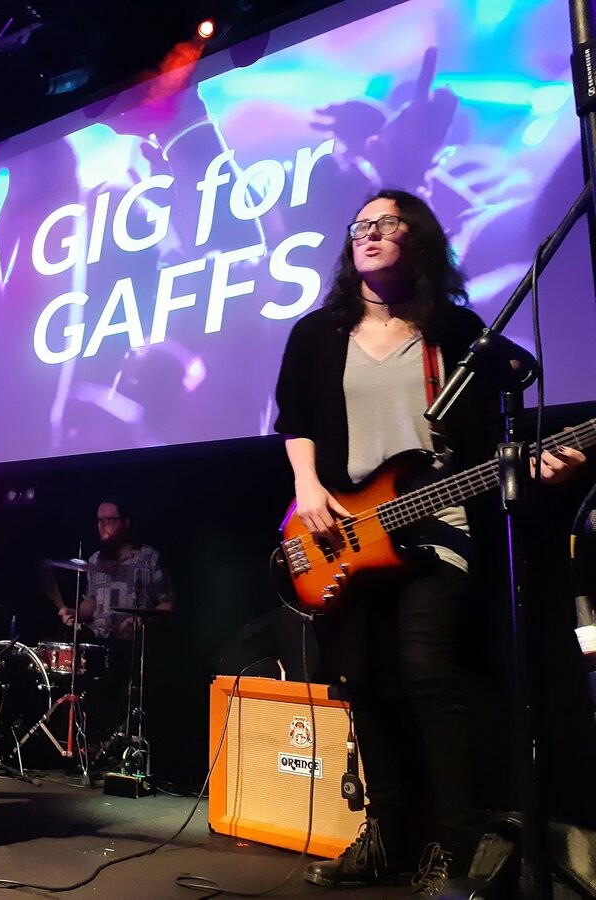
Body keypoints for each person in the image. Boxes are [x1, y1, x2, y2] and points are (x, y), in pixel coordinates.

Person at [273, 189, 585, 893]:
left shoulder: (457, 333)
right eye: (360, 224)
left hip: (440, 530)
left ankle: (458, 848)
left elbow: (489, 442)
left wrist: (538, 466)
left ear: (417, 240)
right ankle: (386, 839)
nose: (369, 233)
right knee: (361, 683)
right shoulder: (317, 333)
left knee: (428, 673)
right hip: (347, 532)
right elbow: (295, 420)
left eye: (386, 223)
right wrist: (308, 488)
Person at [55, 498, 173, 754]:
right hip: (100, 645)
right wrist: (75, 612)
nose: (103, 526)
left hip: (134, 647)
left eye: (110, 520)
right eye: (99, 521)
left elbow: (168, 604)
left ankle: (121, 747)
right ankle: (90, 745)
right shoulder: (95, 560)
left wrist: (143, 620)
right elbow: (92, 601)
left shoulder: (148, 558)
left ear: (125, 522)